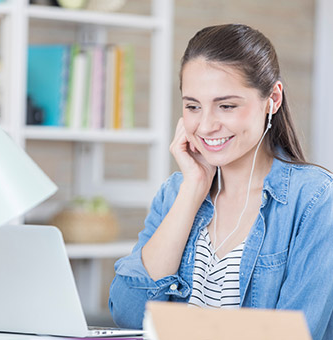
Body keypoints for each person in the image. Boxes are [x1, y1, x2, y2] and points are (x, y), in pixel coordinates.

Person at [108, 24, 333, 340]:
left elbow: (299, 332)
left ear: (273, 99)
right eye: (192, 106)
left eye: (226, 106)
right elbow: (128, 314)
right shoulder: (176, 191)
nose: (206, 125)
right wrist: (193, 189)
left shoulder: (315, 199)